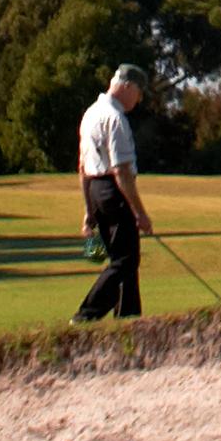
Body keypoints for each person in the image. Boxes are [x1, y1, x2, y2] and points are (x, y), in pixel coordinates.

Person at [72, 68, 154, 322]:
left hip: (96, 191)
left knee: (124, 261)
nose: (138, 100)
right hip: (113, 190)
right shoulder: (115, 118)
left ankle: (128, 318)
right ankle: (85, 315)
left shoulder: (90, 114)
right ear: (127, 87)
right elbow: (121, 171)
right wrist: (140, 213)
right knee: (125, 260)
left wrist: (89, 210)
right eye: (138, 93)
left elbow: (82, 167)